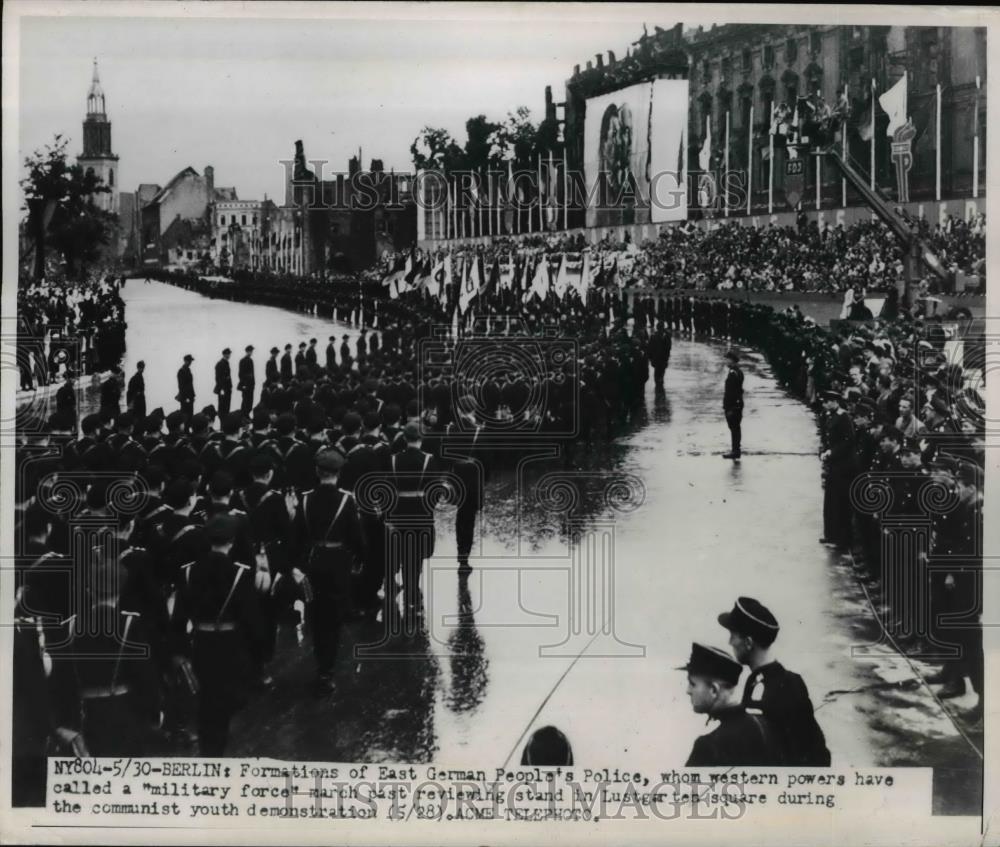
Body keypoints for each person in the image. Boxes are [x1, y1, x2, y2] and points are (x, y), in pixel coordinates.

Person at [179, 513, 260, 755]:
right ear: (232, 542)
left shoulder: (188, 572)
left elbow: (179, 618)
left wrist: (180, 651)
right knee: (224, 699)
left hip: (201, 643)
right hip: (230, 645)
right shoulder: (240, 573)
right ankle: (217, 749)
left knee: (205, 698)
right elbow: (251, 620)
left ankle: (207, 749)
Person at [718, 597, 831, 766]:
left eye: (733, 636)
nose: (730, 642)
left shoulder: (762, 691)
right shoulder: (792, 680)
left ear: (748, 643)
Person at [294, 448, 365, 694]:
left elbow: (297, 537)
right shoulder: (347, 500)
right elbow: (356, 537)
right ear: (339, 473)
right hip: (337, 564)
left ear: (317, 471)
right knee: (333, 617)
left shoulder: (304, 499)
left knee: (315, 614)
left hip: (312, 564)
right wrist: (359, 560)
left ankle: (320, 662)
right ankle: (327, 670)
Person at [678, 642, 784, 767]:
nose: (688, 691)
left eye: (692, 683)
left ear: (713, 690)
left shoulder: (709, 746)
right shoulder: (765, 725)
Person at [819, 390, 857, 549]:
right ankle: (831, 534)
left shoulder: (844, 417)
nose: (825, 404)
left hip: (842, 464)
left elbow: (848, 441)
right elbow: (826, 437)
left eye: (828, 401)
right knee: (830, 500)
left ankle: (842, 538)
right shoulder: (829, 415)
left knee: (840, 502)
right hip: (832, 463)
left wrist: (832, 452)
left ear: (835, 402)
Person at [723, 349, 744, 460]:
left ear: (732, 360)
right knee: (735, 428)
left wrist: (731, 407)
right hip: (736, 405)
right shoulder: (737, 372)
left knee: (734, 428)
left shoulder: (734, 373)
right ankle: (735, 450)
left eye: (727, 359)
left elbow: (733, 392)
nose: (726, 361)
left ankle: (735, 451)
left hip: (733, 406)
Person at [646, 321, 672, 389]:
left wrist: (650, 357)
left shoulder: (664, 336)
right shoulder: (656, 336)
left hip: (661, 358)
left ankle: (659, 383)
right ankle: (659, 384)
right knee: (659, 372)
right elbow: (650, 348)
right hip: (658, 358)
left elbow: (668, 347)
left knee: (660, 372)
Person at [214, 348, 233, 417]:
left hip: (227, 388)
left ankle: (226, 423)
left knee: (227, 406)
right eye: (227, 354)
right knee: (222, 407)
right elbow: (218, 378)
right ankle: (223, 424)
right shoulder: (220, 364)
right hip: (223, 389)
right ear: (224, 354)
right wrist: (221, 389)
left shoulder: (226, 363)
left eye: (229, 354)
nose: (229, 355)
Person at [238, 345, 255, 415]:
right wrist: (244, 384)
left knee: (250, 402)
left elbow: (252, 374)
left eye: (251, 351)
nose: (251, 352)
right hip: (246, 385)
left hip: (251, 385)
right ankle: (243, 416)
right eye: (250, 351)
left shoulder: (251, 360)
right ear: (247, 351)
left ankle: (246, 415)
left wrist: (253, 383)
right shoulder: (242, 361)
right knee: (245, 401)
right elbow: (240, 374)